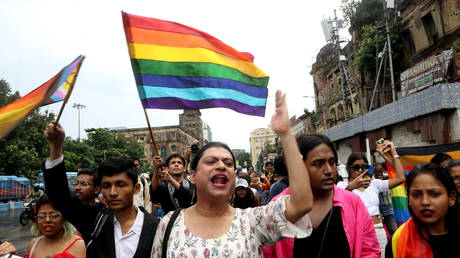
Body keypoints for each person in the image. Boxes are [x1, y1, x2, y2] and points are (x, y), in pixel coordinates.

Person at [151, 90, 314, 257]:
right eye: (211, 161)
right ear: (192, 175)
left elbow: (302, 203)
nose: (221, 166)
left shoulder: (251, 221)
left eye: (228, 163)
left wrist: (286, 135)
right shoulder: (169, 224)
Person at [43, 122, 159, 258]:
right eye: (106, 186)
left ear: (136, 188)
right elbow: (59, 195)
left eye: (121, 185)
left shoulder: (157, 228)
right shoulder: (96, 220)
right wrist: (56, 146)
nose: (113, 192)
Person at [264, 133, 381, 258]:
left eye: (332, 162)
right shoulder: (278, 209)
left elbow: (370, 251)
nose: (329, 170)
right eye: (318, 163)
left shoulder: (353, 203)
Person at [338, 140, 406, 256]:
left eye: (364, 167)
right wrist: (351, 187)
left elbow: (401, 178)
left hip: (377, 229)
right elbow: (336, 202)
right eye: (356, 167)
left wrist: (391, 153)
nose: (360, 170)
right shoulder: (342, 186)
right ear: (349, 168)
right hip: (356, 232)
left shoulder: (374, 184)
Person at [385, 163, 460, 258]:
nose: (425, 202)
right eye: (416, 195)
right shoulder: (398, 240)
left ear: (451, 198)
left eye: (434, 194)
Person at [374, 162, 398, 235]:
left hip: (389, 211)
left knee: (393, 230)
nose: (379, 174)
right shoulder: (371, 182)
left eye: (380, 171)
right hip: (378, 213)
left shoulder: (388, 179)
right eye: (377, 172)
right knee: (381, 233)